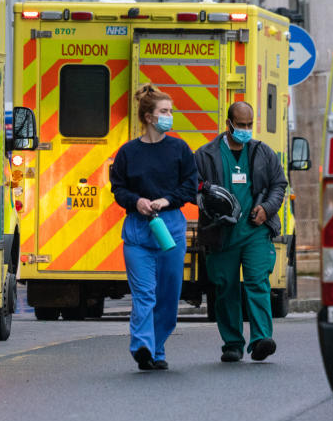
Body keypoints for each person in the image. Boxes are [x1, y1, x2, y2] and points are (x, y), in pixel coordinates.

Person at [109, 84, 198, 371]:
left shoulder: (180, 149)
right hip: (138, 232)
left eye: (170, 111)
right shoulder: (128, 153)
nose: (169, 116)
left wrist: (166, 199)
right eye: (164, 111)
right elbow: (118, 189)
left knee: (168, 297)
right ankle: (142, 347)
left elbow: (190, 185)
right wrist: (137, 202)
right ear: (148, 116)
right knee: (144, 294)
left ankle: (157, 349)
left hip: (170, 227)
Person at [195, 101, 287, 363]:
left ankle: (261, 340)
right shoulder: (205, 155)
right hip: (222, 233)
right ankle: (232, 343)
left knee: (258, 281)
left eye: (249, 125)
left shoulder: (262, 152)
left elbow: (278, 184)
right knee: (226, 287)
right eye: (241, 125)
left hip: (255, 230)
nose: (246, 130)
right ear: (228, 125)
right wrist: (212, 203)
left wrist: (267, 209)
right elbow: (193, 188)